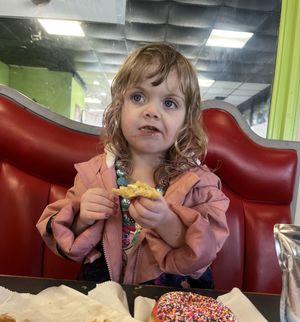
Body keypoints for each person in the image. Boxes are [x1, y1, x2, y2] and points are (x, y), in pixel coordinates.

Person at [36, 42, 229, 289]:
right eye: (138, 97)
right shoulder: (93, 174)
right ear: (119, 107)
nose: (151, 111)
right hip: (103, 299)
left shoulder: (201, 184)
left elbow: (207, 250)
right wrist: (83, 217)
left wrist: (166, 221)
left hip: (172, 298)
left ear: (186, 121)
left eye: (169, 103)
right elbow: (60, 239)